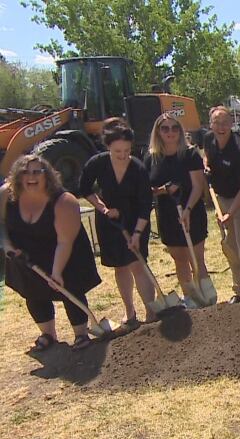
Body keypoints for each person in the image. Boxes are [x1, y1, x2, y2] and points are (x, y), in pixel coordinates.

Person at [1, 156, 101, 351]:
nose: (31, 176)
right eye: (25, 172)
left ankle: (81, 333)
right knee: (32, 291)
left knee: (69, 288)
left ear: (47, 175)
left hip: (65, 250)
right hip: (25, 252)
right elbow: (1, 223)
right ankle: (48, 334)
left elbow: (65, 242)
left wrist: (56, 272)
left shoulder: (64, 201)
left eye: (37, 171)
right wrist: (7, 246)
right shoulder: (6, 194)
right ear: (17, 176)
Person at [78, 118, 155, 330]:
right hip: (110, 221)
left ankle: (151, 310)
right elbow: (84, 188)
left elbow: (144, 204)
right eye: (117, 151)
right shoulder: (97, 163)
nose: (122, 156)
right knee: (120, 267)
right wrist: (102, 208)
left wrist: (137, 234)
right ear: (108, 147)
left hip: (135, 220)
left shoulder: (138, 169)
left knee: (138, 264)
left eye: (126, 151)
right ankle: (130, 312)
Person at [144, 112, 216, 307]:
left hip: (192, 212)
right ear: (158, 132)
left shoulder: (190, 154)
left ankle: (206, 296)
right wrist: (163, 190)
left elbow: (198, 185)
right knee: (179, 258)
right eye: (165, 128)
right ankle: (189, 296)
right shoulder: (152, 157)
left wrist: (188, 210)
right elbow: (148, 189)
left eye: (175, 128)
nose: (170, 132)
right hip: (167, 214)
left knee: (196, 258)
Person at [203, 106, 240, 303]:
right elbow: (206, 155)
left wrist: (230, 214)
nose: (221, 127)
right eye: (216, 123)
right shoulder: (209, 140)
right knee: (230, 245)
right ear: (210, 124)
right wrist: (206, 164)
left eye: (225, 122)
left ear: (232, 124)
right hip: (223, 198)